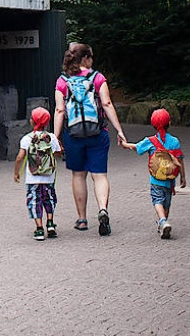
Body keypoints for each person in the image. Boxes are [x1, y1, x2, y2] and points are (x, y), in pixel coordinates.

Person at [52, 42, 127, 235]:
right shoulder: (97, 78)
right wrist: (119, 129)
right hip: (98, 132)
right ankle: (102, 209)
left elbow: (60, 110)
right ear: (86, 58)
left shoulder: (62, 81)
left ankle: (82, 219)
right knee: (99, 175)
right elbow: (107, 103)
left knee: (78, 175)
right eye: (91, 57)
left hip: (73, 135)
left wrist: (56, 137)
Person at [119, 108, 186, 239]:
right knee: (166, 202)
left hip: (156, 179)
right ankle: (163, 222)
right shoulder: (175, 141)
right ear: (169, 123)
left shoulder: (150, 141)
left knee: (157, 200)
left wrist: (124, 144)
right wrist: (183, 177)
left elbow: (136, 147)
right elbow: (179, 161)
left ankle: (162, 221)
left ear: (153, 125)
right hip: (170, 180)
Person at [13, 107, 62, 241]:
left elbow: (20, 157)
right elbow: (58, 153)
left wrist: (17, 172)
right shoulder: (51, 137)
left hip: (32, 178)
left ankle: (39, 229)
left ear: (32, 121)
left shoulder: (27, 139)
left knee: (35, 202)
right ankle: (50, 224)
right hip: (49, 177)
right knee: (49, 199)